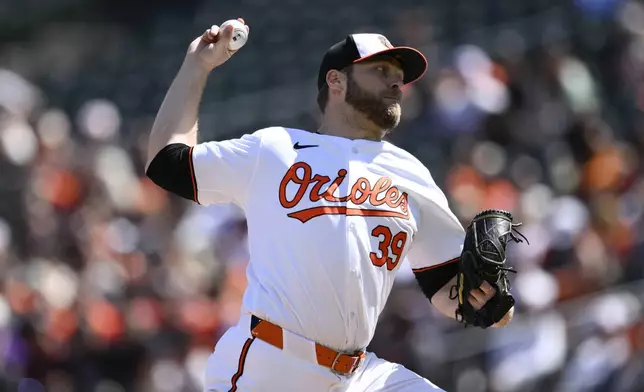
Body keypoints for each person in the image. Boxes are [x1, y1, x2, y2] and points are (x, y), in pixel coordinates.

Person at [145, 18, 513, 392]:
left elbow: (448, 285)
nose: (396, 82)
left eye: (399, 75)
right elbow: (166, 162)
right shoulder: (275, 149)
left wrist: (490, 305)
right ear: (336, 81)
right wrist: (198, 65)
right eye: (381, 70)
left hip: (359, 375)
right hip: (272, 364)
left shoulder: (410, 172)